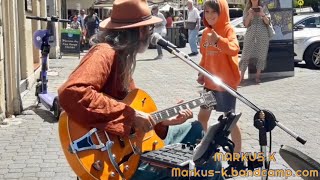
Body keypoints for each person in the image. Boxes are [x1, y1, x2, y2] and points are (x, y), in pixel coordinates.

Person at [58, 0, 223, 179]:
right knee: (207, 160)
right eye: (148, 28)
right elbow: (72, 92)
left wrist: (164, 122)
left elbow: (137, 116)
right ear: (137, 31)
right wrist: (130, 116)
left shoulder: (122, 58)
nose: (150, 33)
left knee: (197, 130)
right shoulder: (104, 52)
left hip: (132, 144)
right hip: (115, 157)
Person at [196, 0, 244, 175]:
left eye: (213, 12)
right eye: (206, 12)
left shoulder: (227, 29)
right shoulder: (206, 32)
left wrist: (219, 40)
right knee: (202, 116)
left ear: (222, 11)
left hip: (225, 85)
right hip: (209, 84)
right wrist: (202, 73)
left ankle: (236, 157)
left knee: (230, 121)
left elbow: (234, 48)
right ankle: (204, 150)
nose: (209, 16)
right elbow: (205, 56)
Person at [239, 0, 271, 84]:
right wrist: (249, 15)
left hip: (263, 34)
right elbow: (246, 25)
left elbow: (268, 22)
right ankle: (241, 77)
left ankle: (257, 76)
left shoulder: (264, 8)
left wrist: (262, 14)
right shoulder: (246, 9)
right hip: (250, 33)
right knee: (245, 54)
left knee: (261, 54)